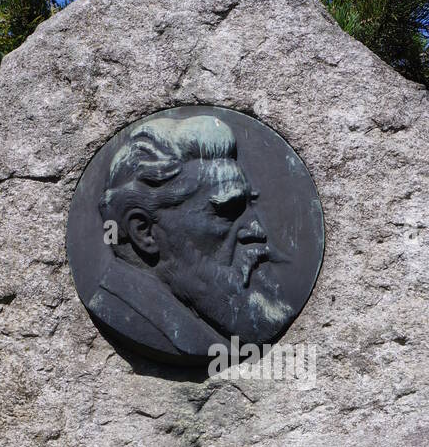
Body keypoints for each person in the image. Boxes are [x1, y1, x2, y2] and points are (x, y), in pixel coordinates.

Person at [91, 114, 292, 358]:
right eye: (227, 212)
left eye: (249, 208)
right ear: (144, 232)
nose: (257, 230)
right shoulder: (129, 316)